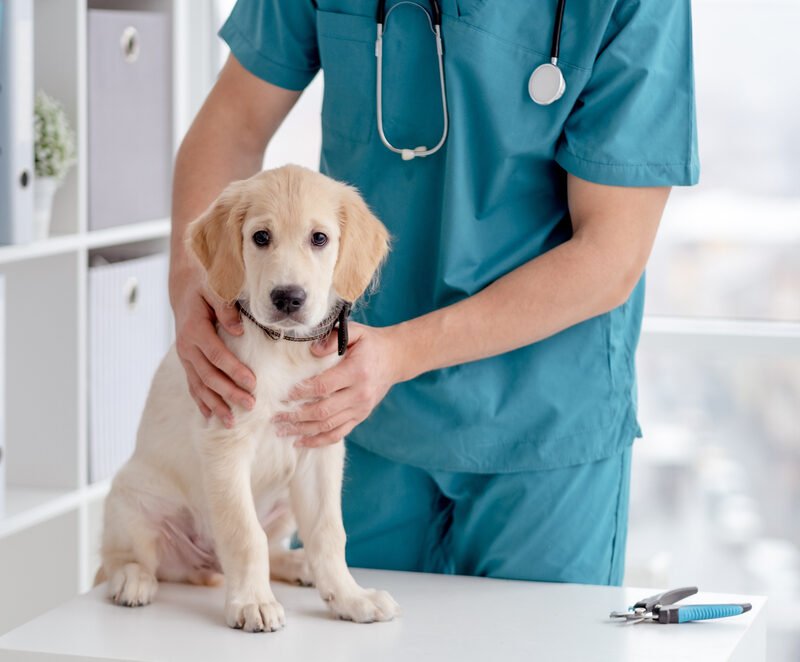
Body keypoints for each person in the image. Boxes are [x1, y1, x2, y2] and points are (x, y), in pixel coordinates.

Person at [169, 0, 698, 585]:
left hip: (539, 425)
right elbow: (234, 122)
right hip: (356, 419)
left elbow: (610, 255)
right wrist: (191, 279)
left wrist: (401, 353)